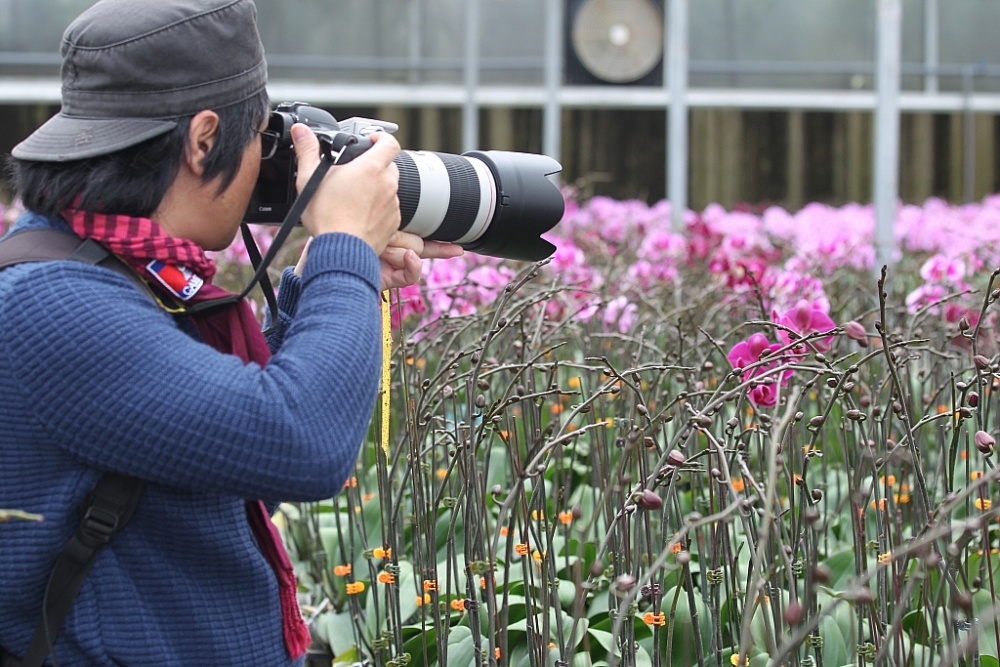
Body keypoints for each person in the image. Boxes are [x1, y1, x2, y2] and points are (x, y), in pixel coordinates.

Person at [0, 0, 462, 665]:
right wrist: (342, 246)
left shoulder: (97, 271)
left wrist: (318, 284)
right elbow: (302, 442)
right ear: (204, 139)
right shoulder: (54, 304)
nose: (263, 167)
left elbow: (225, 469)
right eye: (261, 137)